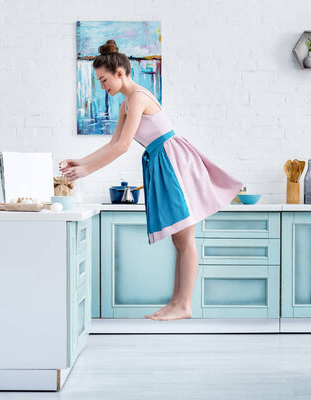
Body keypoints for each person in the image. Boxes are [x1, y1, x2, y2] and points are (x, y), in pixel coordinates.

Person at [60, 39, 243, 321]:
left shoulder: (138, 98)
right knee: (180, 241)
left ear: (120, 73)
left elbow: (122, 147)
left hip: (174, 163)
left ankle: (184, 305)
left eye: (104, 79)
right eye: (99, 81)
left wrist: (86, 172)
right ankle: (177, 302)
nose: (102, 86)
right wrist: (81, 162)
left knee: (186, 238)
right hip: (163, 163)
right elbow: (113, 143)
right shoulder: (126, 105)